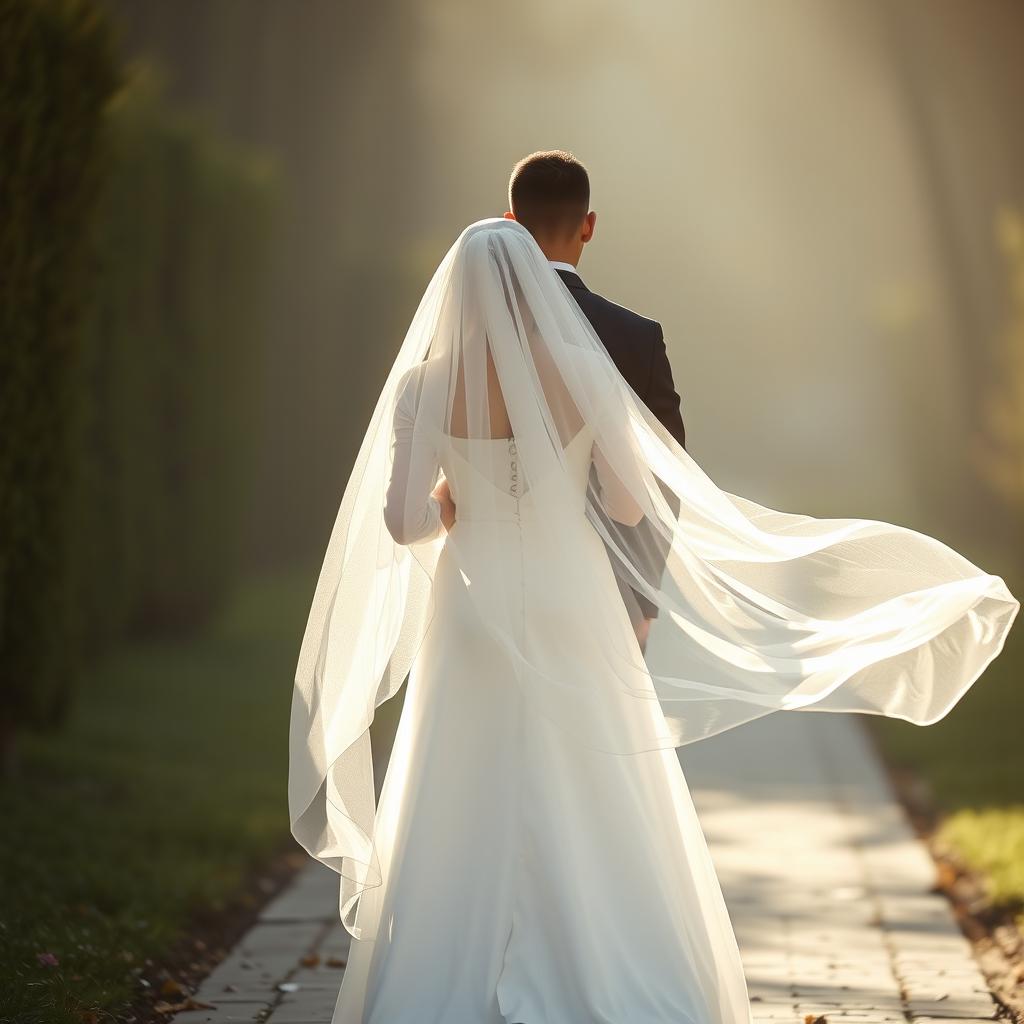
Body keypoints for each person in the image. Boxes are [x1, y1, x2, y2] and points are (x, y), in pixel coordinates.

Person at [289, 209, 1018, 1024]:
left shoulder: (425, 385)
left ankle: (453, 972)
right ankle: (610, 961)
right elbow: (633, 503)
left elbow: (400, 525)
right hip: (575, 596)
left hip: (472, 605)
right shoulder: (579, 365)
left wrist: (456, 499)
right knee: (596, 777)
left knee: (465, 774)